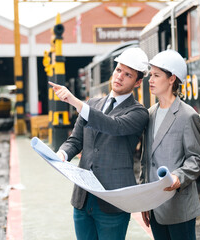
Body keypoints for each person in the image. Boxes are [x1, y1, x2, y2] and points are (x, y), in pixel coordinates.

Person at [48, 47, 149, 240]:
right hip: (83, 199)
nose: (120, 76)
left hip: (113, 201)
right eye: (118, 70)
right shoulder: (92, 104)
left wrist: (75, 101)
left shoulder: (138, 112)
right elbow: (75, 140)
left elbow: (113, 126)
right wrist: (62, 154)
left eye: (128, 74)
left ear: (137, 82)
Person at [140, 50, 200, 240]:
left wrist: (178, 177)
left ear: (171, 79)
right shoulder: (150, 113)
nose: (150, 79)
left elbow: (197, 160)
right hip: (155, 207)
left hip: (178, 207)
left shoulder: (187, 115)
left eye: (156, 75)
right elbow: (146, 161)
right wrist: (145, 200)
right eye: (150, 75)